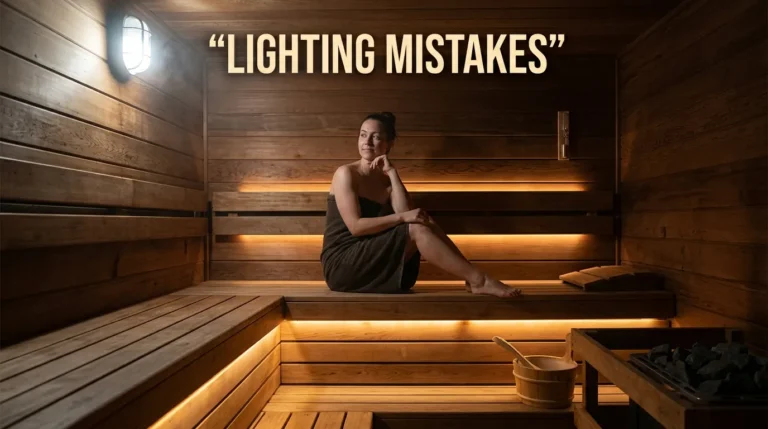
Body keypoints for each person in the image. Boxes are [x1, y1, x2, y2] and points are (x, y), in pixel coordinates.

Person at [320, 112, 522, 297]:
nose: (367, 142)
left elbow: (409, 214)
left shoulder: (386, 181)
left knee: (424, 221)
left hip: (375, 261)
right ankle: (479, 280)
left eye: (376, 137)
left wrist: (392, 174)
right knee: (415, 226)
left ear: (389, 144)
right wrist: (403, 218)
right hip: (343, 264)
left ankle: (472, 278)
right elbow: (356, 227)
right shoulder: (346, 174)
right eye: (363, 135)